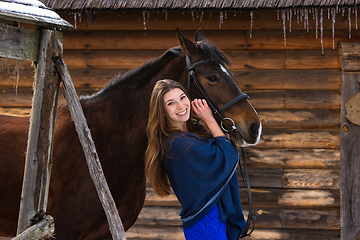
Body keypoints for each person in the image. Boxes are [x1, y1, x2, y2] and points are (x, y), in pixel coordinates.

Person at [145, 79, 246, 240]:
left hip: (215, 219)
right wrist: (210, 120)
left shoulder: (196, 134)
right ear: (162, 111)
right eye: (171, 103)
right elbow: (227, 155)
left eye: (183, 97)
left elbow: (223, 146)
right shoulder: (177, 144)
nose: (180, 106)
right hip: (206, 223)